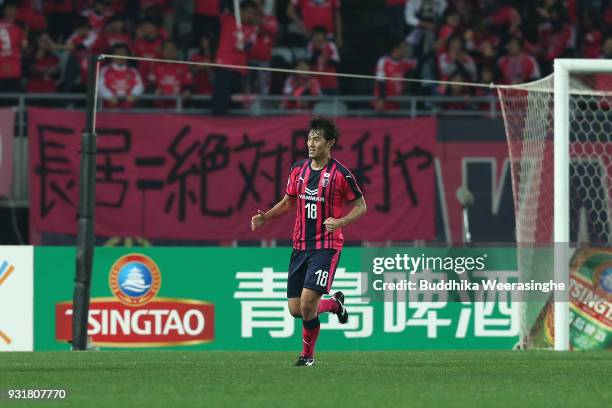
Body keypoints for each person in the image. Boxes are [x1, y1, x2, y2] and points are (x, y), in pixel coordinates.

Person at [251, 117, 367, 367]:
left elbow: (360, 206)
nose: (311, 143)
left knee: (306, 305)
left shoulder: (340, 174)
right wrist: (265, 217)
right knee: (296, 309)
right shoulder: (298, 170)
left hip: (326, 246)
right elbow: (288, 202)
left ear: (330, 143)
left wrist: (340, 222)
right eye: (309, 138)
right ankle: (335, 305)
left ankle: (307, 356)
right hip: (300, 245)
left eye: (317, 138)